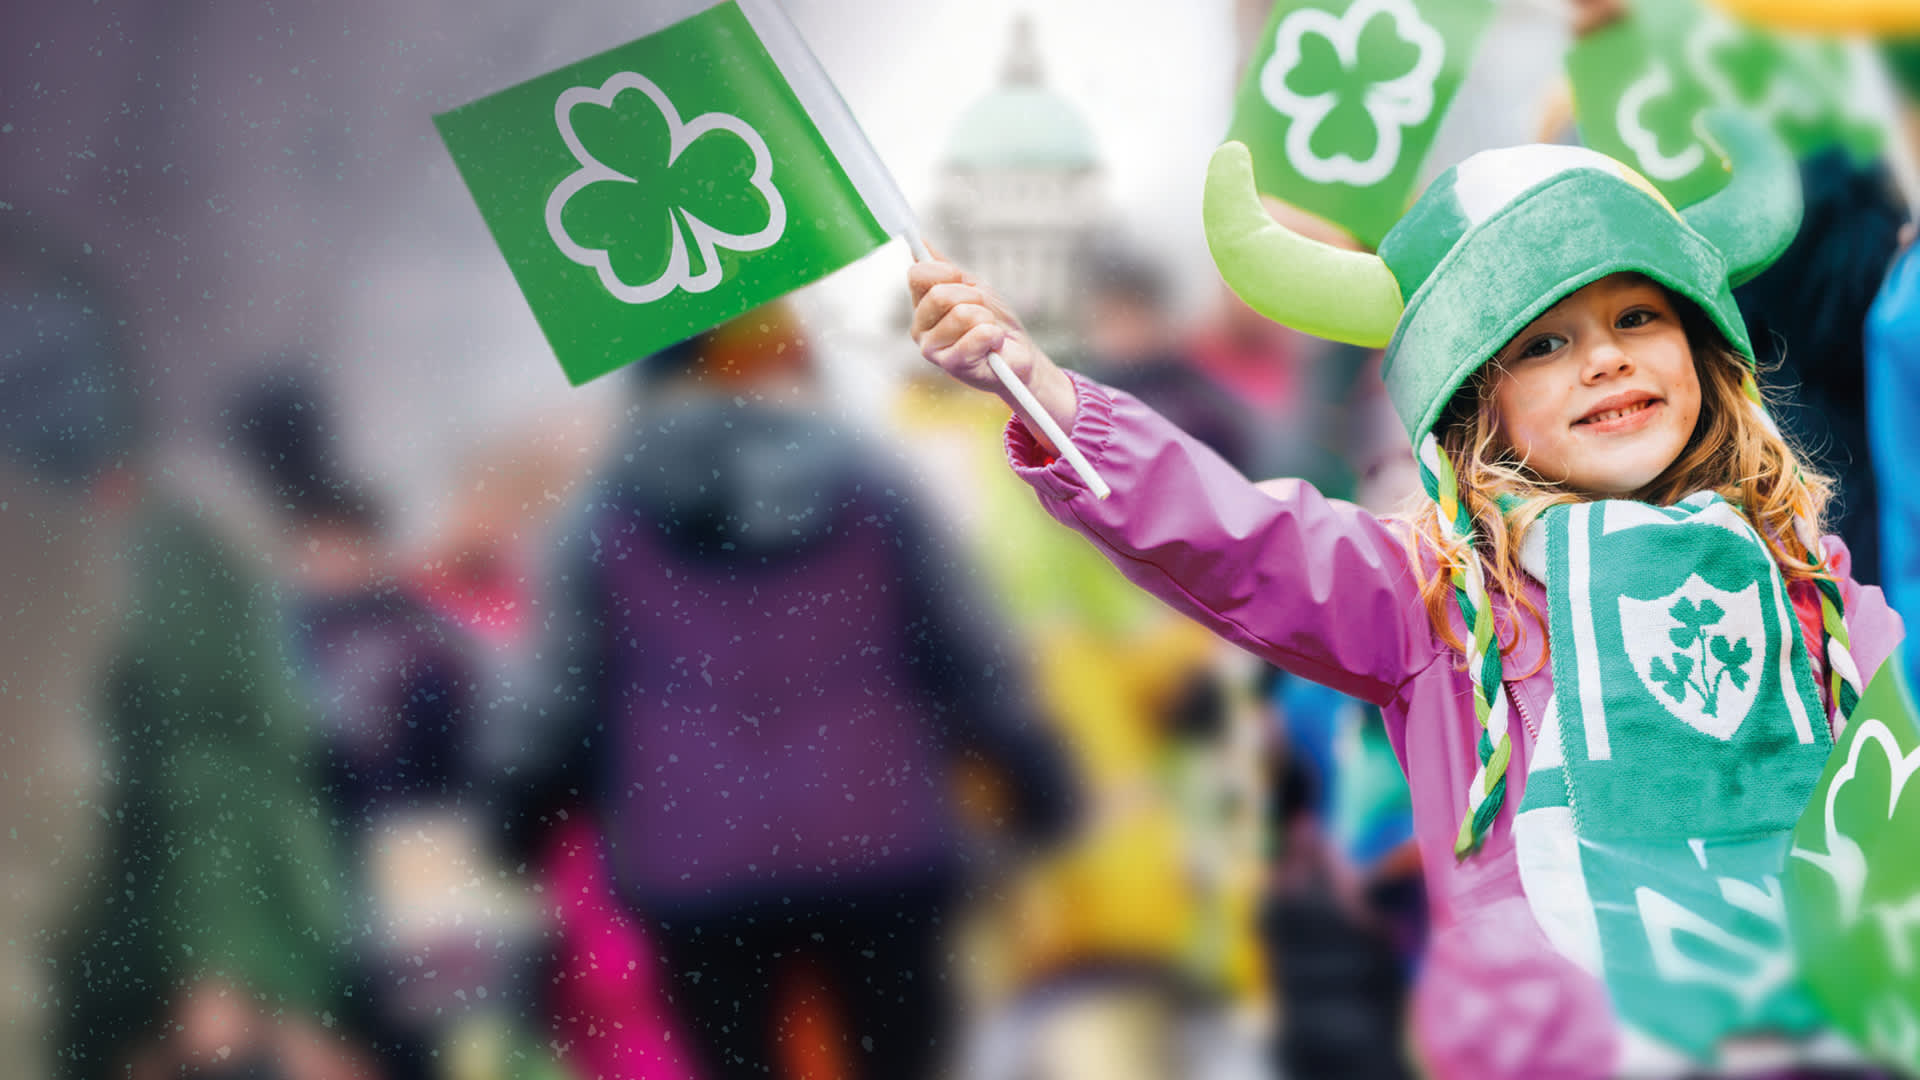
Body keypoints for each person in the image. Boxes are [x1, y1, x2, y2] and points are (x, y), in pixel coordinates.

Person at [906, 110, 1903, 1079]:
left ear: (1703, 353)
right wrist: (1049, 392)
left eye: (1638, 317)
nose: (1606, 357)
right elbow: (1237, 540)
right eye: (1543, 343)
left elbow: (1894, 780)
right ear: (1479, 404)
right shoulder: (1432, 596)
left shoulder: (1806, 584)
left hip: (1811, 1033)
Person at [522, 303, 1076, 1080]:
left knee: (740, 1062)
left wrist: (518, 814)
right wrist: (1035, 773)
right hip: (879, 838)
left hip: (693, 860)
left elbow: (560, 692)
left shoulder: (608, 512)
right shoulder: (869, 483)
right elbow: (961, 648)